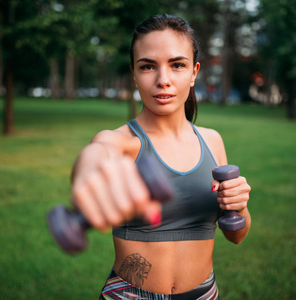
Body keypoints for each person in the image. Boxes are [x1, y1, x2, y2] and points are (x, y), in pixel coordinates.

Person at [71, 14, 251, 300]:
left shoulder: (212, 141)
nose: (163, 80)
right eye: (148, 66)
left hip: (204, 294)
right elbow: (97, 155)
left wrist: (238, 206)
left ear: (194, 72)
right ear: (133, 72)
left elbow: (237, 235)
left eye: (177, 65)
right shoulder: (120, 142)